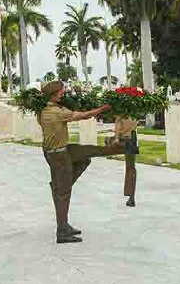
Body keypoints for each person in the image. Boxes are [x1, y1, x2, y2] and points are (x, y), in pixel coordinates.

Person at [38, 81, 127, 244]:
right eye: (61, 92)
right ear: (54, 94)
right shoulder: (55, 112)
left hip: (60, 150)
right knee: (63, 193)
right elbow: (82, 116)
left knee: (86, 155)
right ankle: (62, 231)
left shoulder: (45, 110)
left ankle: (59, 187)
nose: (63, 93)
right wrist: (102, 109)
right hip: (58, 155)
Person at [110, 116, 140, 207]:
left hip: (124, 140)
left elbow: (118, 128)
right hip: (133, 139)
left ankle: (131, 197)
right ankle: (131, 197)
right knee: (131, 168)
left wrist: (116, 138)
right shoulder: (134, 113)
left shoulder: (120, 114)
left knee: (130, 168)